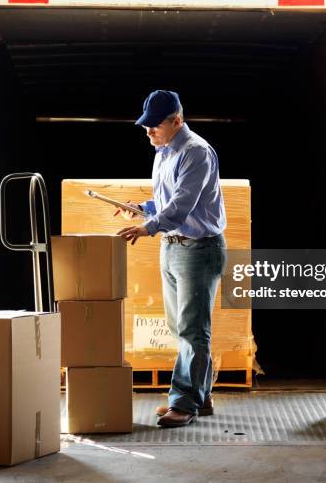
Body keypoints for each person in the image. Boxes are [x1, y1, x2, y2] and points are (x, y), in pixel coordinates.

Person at [117, 90, 227, 428]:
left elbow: (182, 206)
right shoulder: (164, 152)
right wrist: (142, 209)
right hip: (172, 246)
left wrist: (147, 227)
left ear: (177, 120)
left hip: (198, 249)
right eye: (145, 126)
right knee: (180, 326)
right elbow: (166, 201)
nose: (148, 132)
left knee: (194, 329)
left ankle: (185, 402)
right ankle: (201, 395)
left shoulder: (196, 153)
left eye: (154, 126)